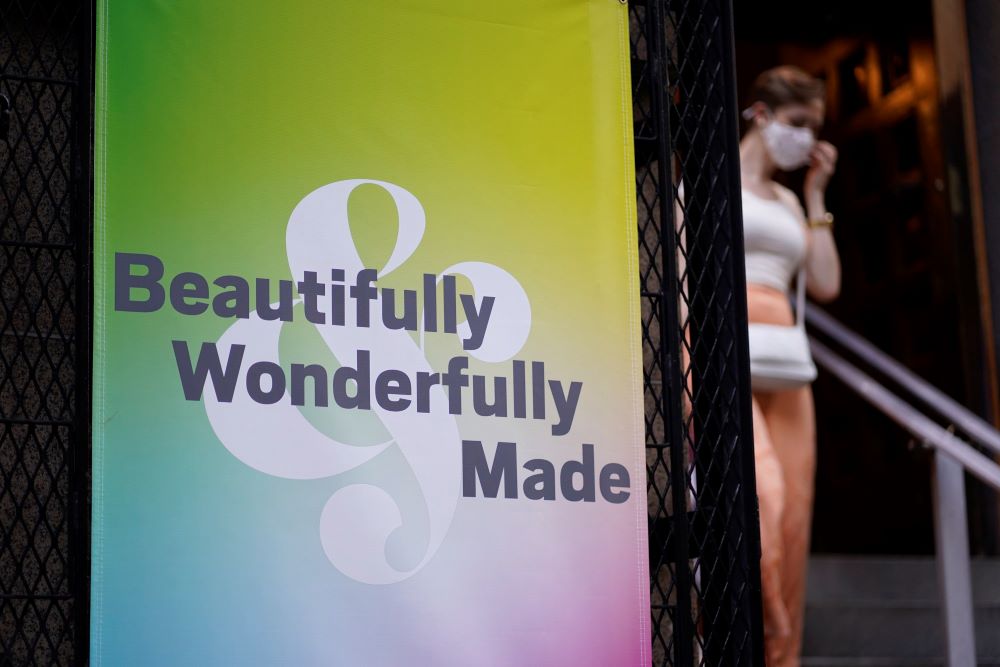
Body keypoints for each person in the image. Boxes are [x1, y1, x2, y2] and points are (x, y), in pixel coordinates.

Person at [740, 65, 840, 666]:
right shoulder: (708, 178)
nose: (806, 138)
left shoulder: (787, 198)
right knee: (763, 501)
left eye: (815, 128)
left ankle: (783, 658)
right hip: (727, 353)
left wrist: (817, 196)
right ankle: (745, 641)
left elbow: (825, 283)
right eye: (799, 123)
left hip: (786, 365)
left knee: (795, 517)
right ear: (762, 114)